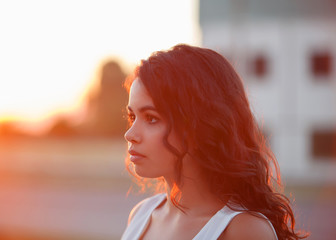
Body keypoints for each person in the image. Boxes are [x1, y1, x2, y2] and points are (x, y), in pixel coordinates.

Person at [121, 44, 307, 240]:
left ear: (197, 124)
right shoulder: (141, 215)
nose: (130, 134)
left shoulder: (243, 230)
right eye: (133, 117)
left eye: (151, 118)